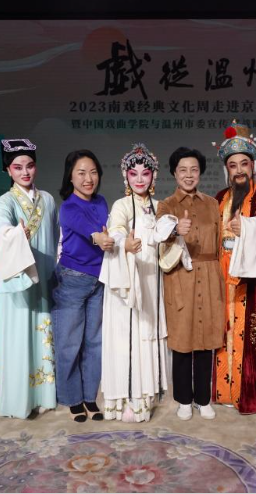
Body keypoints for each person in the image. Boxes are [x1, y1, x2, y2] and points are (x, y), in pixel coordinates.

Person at [212, 122, 256, 414]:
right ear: (227, 169)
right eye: (233, 165)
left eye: (244, 164)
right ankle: (224, 390)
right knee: (223, 332)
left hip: (251, 280)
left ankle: (248, 393)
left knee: (252, 335)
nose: (239, 170)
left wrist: (247, 227)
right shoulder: (220, 198)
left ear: (252, 166)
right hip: (222, 274)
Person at [99, 143, 168, 422]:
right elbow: (116, 231)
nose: (139, 179)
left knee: (147, 336)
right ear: (125, 176)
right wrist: (123, 244)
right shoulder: (121, 205)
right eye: (133, 173)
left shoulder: (159, 207)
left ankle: (145, 398)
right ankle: (124, 400)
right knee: (126, 338)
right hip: (127, 281)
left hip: (152, 281)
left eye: (145, 173)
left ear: (154, 176)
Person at [156, 147, 225, 421]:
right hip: (180, 277)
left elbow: (220, 241)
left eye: (194, 170)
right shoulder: (166, 205)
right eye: (182, 170)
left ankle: (203, 399)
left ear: (200, 173)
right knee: (182, 340)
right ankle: (184, 399)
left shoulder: (212, 204)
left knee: (207, 338)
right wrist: (176, 230)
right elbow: (159, 234)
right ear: (174, 173)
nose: (188, 175)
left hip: (209, 275)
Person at [0, 139, 58, 419]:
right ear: (8, 170)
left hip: (44, 276)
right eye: (18, 167)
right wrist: (16, 234)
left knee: (42, 334)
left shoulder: (48, 200)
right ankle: (19, 401)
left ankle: (44, 395)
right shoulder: (4, 202)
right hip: (19, 279)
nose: (25, 172)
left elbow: (54, 238)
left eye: (29, 166)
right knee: (19, 337)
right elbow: (2, 231)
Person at [51, 150, 113, 423]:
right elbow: (91, 230)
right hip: (71, 281)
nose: (89, 179)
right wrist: (100, 237)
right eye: (81, 173)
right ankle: (72, 398)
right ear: (71, 177)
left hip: (99, 280)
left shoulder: (101, 201)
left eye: (93, 172)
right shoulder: (68, 207)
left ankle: (90, 396)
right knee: (69, 343)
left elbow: (107, 229)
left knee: (95, 343)